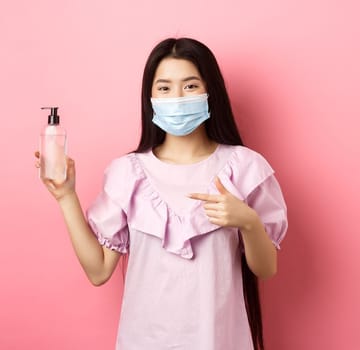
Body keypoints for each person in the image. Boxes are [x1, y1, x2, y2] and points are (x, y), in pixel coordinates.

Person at [35, 37, 288, 350]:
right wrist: (65, 197)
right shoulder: (127, 173)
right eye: (165, 88)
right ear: (150, 96)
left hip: (219, 341)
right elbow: (98, 270)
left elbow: (266, 268)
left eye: (190, 86)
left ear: (211, 92)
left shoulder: (244, 167)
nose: (177, 98)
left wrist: (248, 221)